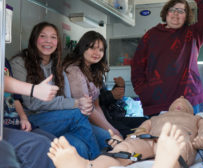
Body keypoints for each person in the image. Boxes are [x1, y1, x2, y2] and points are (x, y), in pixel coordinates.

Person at [10, 22, 105, 160]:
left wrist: (81, 104)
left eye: (53, 37)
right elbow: (32, 104)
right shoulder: (19, 63)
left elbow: (65, 98)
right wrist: (77, 103)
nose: (48, 41)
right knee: (77, 114)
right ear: (34, 39)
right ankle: (99, 163)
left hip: (60, 119)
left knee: (82, 145)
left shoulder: (57, 65)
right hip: (32, 119)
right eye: (43, 36)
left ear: (58, 42)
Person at [131, 0, 203, 116]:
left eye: (181, 11)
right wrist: (144, 92)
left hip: (188, 100)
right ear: (166, 13)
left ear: (186, 15)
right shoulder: (151, 35)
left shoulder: (193, 34)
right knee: (159, 138)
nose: (176, 14)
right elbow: (137, 65)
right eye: (172, 10)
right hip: (157, 102)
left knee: (188, 136)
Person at [48, 96, 203, 168]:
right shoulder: (155, 118)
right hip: (149, 139)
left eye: (184, 104)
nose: (180, 102)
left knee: (180, 145)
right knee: (124, 150)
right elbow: (139, 131)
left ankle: (166, 164)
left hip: (176, 137)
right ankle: (88, 165)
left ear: (190, 110)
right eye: (176, 102)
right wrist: (124, 141)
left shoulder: (197, 119)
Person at [63, 31, 147, 138]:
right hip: (80, 121)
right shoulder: (74, 71)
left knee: (142, 127)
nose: (97, 53)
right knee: (117, 137)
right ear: (83, 48)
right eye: (92, 48)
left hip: (98, 117)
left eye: (101, 50)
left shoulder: (93, 70)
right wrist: (112, 131)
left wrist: (111, 129)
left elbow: (96, 105)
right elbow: (87, 110)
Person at [4, 58, 57, 167]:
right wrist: (34, 90)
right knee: (40, 146)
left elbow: (15, 98)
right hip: (3, 128)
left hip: (15, 122)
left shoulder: (3, 60)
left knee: (55, 143)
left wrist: (23, 117)